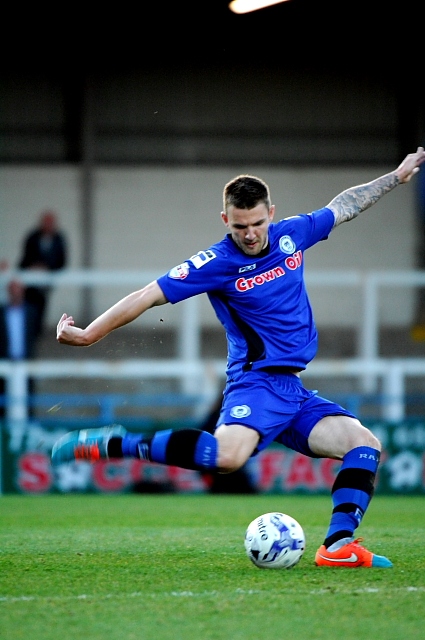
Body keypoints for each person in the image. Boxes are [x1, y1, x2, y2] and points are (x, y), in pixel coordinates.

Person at [52, 146, 425, 568]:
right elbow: (147, 295)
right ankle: (116, 443)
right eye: (241, 225)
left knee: (365, 445)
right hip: (256, 383)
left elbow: (343, 206)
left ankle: (337, 546)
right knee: (227, 458)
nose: (250, 234)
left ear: (271, 213)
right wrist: (88, 335)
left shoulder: (292, 234)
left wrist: (395, 176)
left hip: (293, 389)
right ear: (226, 220)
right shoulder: (216, 261)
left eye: (258, 223)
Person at [18, 209, 67, 337]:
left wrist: (47, 269)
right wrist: (34, 267)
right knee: (30, 308)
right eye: (46, 222)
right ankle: (30, 333)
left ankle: (37, 333)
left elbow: (62, 261)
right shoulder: (33, 237)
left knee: (41, 308)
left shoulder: (59, 239)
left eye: (50, 222)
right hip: (30, 284)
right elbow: (25, 259)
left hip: (47, 283)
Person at [0, 279, 40, 417]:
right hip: (5, 361)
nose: (16, 293)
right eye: (13, 290)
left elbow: (35, 333)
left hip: (26, 361)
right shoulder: (2, 312)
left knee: (27, 400)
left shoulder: (31, 312)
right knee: (5, 400)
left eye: (18, 290)